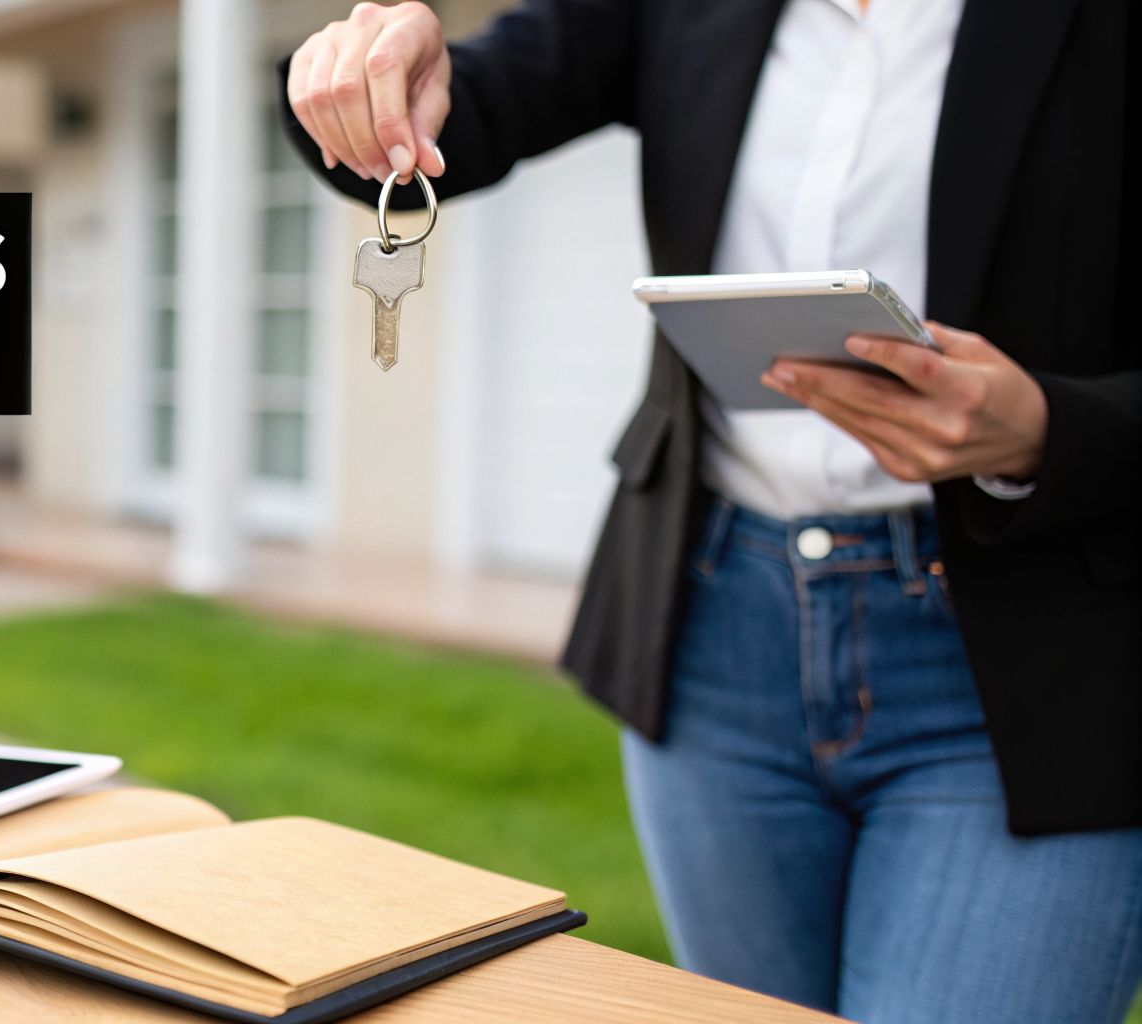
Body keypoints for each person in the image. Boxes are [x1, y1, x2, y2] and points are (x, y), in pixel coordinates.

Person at [278, 2, 1140, 1022]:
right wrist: (363, 79)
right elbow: (466, 116)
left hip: (1032, 659)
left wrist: (1050, 430)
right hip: (713, 634)